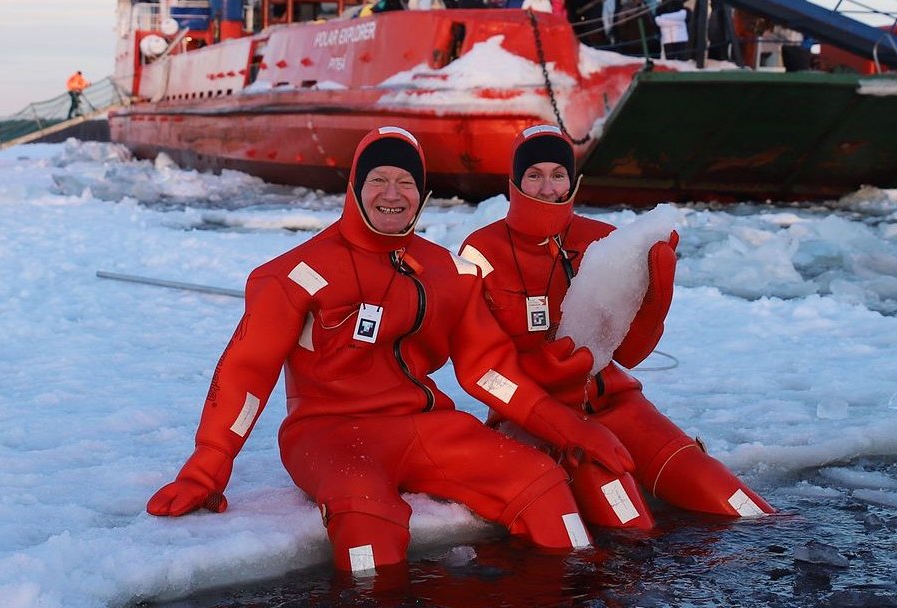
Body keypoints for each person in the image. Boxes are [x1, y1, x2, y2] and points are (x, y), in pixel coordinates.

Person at [147, 126, 636, 574]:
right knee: (366, 519)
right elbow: (246, 373)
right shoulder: (293, 275)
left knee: (543, 483)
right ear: (355, 187)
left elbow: (487, 370)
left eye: (406, 183)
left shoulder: (445, 272)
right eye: (378, 179)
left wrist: (568, 427)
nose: (392, 194)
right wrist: (209, 462)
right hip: (328, 434)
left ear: (422, 195)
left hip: (425, 426)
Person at [459, 125, 774, 530]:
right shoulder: (481, 252)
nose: (546, 186)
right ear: (513, 182)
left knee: (731, 500)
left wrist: (655, 302)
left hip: (614, 403)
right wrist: (535, 380)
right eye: (533, 174)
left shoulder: (605, 241)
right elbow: (479, 370)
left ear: (574, 182)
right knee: (627, 519)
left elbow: (629, 354)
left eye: (558, 174)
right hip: (532, 417)